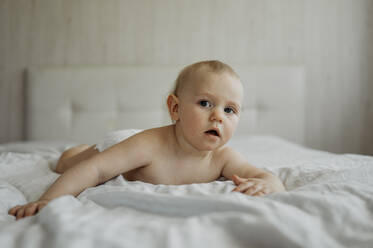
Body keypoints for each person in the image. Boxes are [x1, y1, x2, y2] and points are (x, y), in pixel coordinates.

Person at [8, 60, 285, 220]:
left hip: (133, 150)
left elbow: (263, 176)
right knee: (69, 163)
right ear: (175, 108)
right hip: (120, 144)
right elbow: (96, 169)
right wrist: (48, 201)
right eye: (205, 103)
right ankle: (75, 149)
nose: (218, 117)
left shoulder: (224, 157)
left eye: (229, 110)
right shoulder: (149, 145)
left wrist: (267, 183)